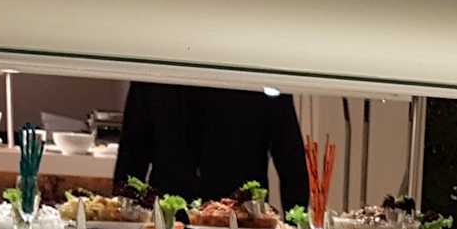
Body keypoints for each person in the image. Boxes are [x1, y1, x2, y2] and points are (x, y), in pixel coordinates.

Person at [113, 81, 312, 209]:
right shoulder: (156, 67)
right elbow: (132, 156)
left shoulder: (259, 65)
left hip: (241, 222)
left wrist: (298, 228)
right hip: (174, 220)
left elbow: (290, 158)